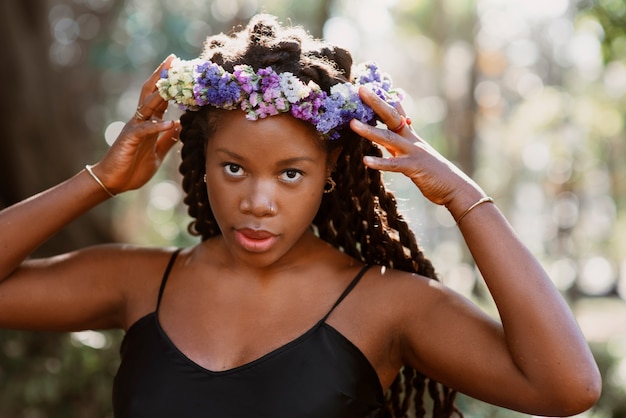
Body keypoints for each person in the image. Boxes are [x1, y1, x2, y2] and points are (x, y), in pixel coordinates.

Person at [0, 13, 600, 418]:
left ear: (333, 170)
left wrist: (467, 200)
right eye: (233, 167)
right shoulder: (140, 283)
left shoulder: (388, 306)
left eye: (291, 174)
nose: (258, 202)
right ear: (200, 160)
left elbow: (567, 387)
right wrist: (102, 181)